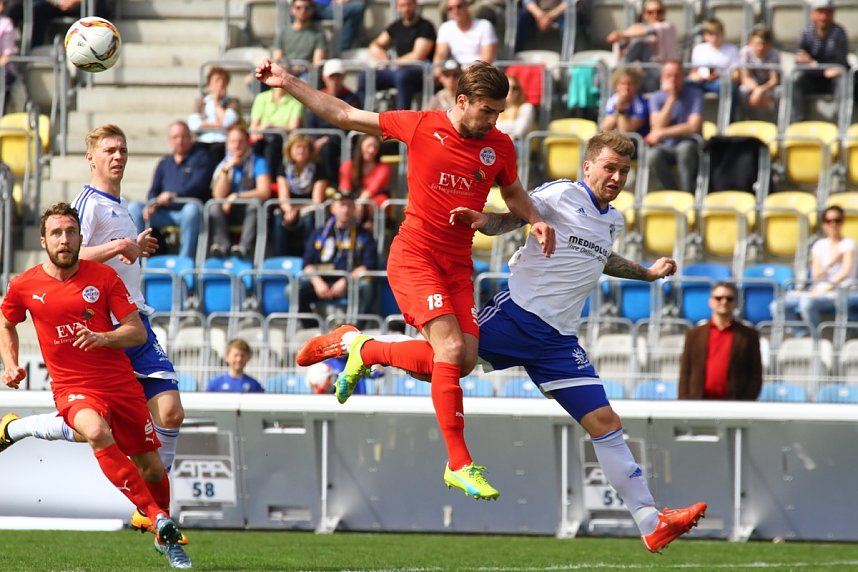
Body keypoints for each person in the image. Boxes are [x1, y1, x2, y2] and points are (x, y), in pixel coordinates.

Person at [297, 131, 707, 552]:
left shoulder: (613, 220)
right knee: (450, 361)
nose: (617, 176)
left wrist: (647, 273)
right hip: (516, 315)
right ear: (588, 167)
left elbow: (602, 259)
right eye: (609, 167)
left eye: (623, 170)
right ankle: (359, 346)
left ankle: (650, 521)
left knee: (606, 424)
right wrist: (484, 222)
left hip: (559, 342)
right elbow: (517, 213)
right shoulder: (562, 194)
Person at [256, 57, 555, 500]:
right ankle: (460, 463)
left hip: (457, 265)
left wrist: (535, 220)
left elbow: (513, 194)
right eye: (487, 111)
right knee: (450, 348)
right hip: (414, 255)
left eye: (498, 113)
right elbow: (344, 114)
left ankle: (364, 347)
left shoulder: (499, 146)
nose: (494, 120)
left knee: (463, 360)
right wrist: (288, 81)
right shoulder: (419, 126)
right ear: (462, 100)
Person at [2, 125, 191, 548]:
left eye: (123, 149)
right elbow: (69, 253)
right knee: (94, 424)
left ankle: (153, 506)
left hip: (132, 321)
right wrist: (121, 246)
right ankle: (153, 511)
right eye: (109, 150)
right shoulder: (86, 204)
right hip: (99, 324)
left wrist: (131, 246)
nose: (118, 157)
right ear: (91, 158)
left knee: (172, 413)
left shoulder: (117, 204)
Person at [128, 120, 214, 260]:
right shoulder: (164, 163)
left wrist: (174, 195)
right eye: (175, 137)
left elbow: (199, 186)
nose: (179, 141)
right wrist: (153, 204)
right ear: (170, 140)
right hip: (163, 212)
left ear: (190, 137)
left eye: (183, 136)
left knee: (191, 210)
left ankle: (186, 261)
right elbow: (153, 191)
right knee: (135, 207)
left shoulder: (202, 159)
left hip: (186, 212)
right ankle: (137, 260)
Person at [298, 191, 378, 326]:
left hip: (349, 284)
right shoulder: (320, 232)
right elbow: (307, 263)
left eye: (350, 206)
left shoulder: (364, 235)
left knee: (367, 287)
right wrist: (317, 282)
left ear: (354, 209)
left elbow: (369, 265)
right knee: (295, 289)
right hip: (322, 281)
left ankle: (355, 330)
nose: (346, 210)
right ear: (333, 208)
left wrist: (345, 281)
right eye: (342, 205)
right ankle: (312, 330)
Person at [773, 206, 858, 332]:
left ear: (842, 222)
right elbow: (816, 274)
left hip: (842, 291)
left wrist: (824, 288)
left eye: (837, 220)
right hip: (819, 290)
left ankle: (816, 339)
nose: (833, 224)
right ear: (824, 224)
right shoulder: (819, 245)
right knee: (777, 306)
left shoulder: (849, 244)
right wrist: (833, 262)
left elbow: (845, 272)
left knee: (807, 304)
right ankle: (801, 334)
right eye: (829, 221)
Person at [678, 282, 763, 400]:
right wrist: (684, 401)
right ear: (710, 302)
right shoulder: (694, 334)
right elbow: (685, 372)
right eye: (718, 298)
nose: (724, 302)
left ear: (735, 303)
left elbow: (755, 374)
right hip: (698, 404)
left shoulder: (749, 335)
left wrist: (746, 403)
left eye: (729, 298)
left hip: (734, 406)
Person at [209, 125, 273, 259]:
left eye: (240, 141)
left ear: (247, 142)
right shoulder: (223, 165)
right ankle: (222, 246)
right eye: (233, 141)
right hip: (228, 209)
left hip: (249, 210)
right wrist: (227, 170)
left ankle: (244, 248)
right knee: (214, 206)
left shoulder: (258, 162)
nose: (237, 145)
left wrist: (237, 196)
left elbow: (264, 191)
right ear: (227, 144)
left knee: (254, 204)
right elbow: (218, 195)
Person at [359, 0, 436, 111]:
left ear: (415, 5)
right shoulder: (396, 26)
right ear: (397, 7)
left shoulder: (425, 26)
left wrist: (393, 63)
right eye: (402, 5)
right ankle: (363, 117)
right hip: (396, 69)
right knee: (365, 76)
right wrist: (379, 52)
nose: (406, 9)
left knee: (402, 76)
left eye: (409, 4)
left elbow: (418, 55)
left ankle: (401, 120)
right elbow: (376, 44)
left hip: (420, 72)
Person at [645, 60, 703, 194]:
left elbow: (693, 126)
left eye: (677, 75)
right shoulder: (656, 97)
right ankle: (672, 194)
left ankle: (688, 194)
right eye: (669, 76)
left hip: (690, 143)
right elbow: (656, 126)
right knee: (653, 155)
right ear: (662, 78)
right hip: (666, 146)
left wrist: (661, 133)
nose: (673, 79)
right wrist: (671, 99)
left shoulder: (695, 94)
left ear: (683, 77)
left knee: (685, 149)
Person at [271, 133, 329, 257]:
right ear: (290, 150)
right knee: (278, 220)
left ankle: (309, 257)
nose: (301, 151)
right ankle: (280, 259)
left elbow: (317, 200)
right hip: (290, 209)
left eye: (304, 148)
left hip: (310, 209)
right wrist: (289, 210)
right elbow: (283, 196)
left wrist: (297, 210)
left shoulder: (318, 169)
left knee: (309, 220)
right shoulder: (283, 169)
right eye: (298, 147)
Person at [305, 59, 362, 184]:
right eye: (332, 77)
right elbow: (310, 124)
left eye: (338, 76)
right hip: (318, 140)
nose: (335, 80)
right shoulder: (317, 97)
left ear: (343, 77)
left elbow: (350, 125)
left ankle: (331, 184)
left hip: (339, 141)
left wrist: (326, 139)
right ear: (324, 78)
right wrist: (314, 141)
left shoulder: (352, 98)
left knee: (328, 149)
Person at [791, 0, 848, 123]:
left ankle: (841, 122)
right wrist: (818, 66)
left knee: (843, 81)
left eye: (827, 13)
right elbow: (800, 60)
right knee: (796, 79)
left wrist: (812, 63)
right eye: (820, 12)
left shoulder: (839, 33)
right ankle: (797, 121)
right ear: (813, 14)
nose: (823, 17)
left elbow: (839, 64)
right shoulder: (805, 33)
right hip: (811, 78)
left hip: (832, 81)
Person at [606, 0, 678, 93]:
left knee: (640, 46)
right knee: (623, 79)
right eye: (650, 12)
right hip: (645, 74)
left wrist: (621, 34)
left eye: (659, 11)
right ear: (644, 15)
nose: (655, 15)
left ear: (664, 13)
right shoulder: (638, 31)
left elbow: (646, 31)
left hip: (662, 74)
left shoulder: (668, 26)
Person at [188, 66, 242, 165]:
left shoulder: (233, 102)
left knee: (216, 153)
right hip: (202, 140)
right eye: (217, 81)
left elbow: (226, 122)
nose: (220, 84)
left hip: (222, 141)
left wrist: (216, 103)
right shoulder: (201, 102)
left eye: (223, 81)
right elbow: (193, 124)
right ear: (209, 85)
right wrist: (217, 124)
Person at [249, 84, 304, 175]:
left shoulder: (296, 101)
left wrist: (272, 127)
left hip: (283, 140)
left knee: (271, 150)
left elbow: (293, 127)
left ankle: (270, 179)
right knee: (253, 149)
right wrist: (257, 133)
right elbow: (253, 126)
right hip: (261, 138)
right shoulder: (261, 97)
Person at [338, 134, 392, 227]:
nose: (372, 150)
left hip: (373, 205)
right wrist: (351, 205)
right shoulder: (348, 166)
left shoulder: (384, 168)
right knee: (340, 205)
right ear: (360, 147)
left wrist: (360, 203)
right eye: (368, 146)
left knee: (379, 202)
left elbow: (373, 188)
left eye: (375, 147)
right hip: (353, 201)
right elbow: (345, 189)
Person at [433, 0, 497, 73]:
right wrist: (438, 71)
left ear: (467, 7)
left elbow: (487, 58)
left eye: (459, 6)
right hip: (455, 74)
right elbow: (440, 55)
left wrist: (466, 73)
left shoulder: (485, 26)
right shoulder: (445, 28)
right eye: (450, 8)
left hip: (481, 73)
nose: (455, 11)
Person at [271, 0, 327, 74]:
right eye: (298, 8)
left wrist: (297, 70)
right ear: (292, 10)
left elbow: (316, 65)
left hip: (306, 74)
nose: (302, 11)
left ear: (312, 11)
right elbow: (278, 59)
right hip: (285, 72)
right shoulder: (283, 33)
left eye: (306, 8)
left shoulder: (318, 34)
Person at [687, 18, 740, 96]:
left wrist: (720, 76)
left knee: (726, 88)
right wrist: (701, 77)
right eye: (711, 34)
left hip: (721, 83)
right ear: (705, 36)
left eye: (717, 34)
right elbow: (693, 72)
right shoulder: (698, 49)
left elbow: (736, 75)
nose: (715, 38)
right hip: (701, 82)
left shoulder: (732, 49)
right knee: (687, 86)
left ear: (723, 34)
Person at [737, 27, 781, 118]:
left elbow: (774, 80)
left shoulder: (774, 54)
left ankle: (777, 121)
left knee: (779, 92)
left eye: (763, 44)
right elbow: (745, 78)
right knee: (742, 90)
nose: (760, 47)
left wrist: (761, 90)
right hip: (752, 85)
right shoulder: (745, 52)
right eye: (757, 44)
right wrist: (757, 90)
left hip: (768, 86)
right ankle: (746, 119)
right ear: (750, 42)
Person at [601, 67, 649, 139]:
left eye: (630, 84)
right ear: (616, 86)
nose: (626, 88)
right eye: (623, 83)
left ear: (636, 85)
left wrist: (621, 109)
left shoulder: (642, 104)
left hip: (634, 142)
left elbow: (625, 131)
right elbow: (605, 127)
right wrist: (618, 109)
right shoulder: (612, 100)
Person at [495, 73, 535, 150]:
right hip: (498, 143)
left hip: (517, 145)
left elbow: (519, 131)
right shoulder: (496, 108)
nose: (511, 91)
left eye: (515, 88)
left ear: (519, 91)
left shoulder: (526, 107)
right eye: (507, 88)